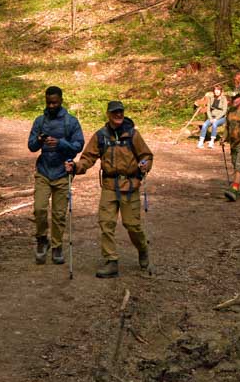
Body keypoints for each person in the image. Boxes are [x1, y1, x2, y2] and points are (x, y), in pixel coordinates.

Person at [66, 101, 153, 279]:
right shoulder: (101, 136)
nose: (118, 115)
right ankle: (111, 260)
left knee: (132, 225)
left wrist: (145, 164)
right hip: (109, 186)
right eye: (114, 112)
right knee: (106, 224)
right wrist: (76, 167)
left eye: (120, 112)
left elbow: (146, 155)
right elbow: (88, 158)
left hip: (130, 185)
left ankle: (143, 248)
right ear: (108, 114)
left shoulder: (133, 134)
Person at [26, 86, 84, 265]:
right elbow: (31, 146)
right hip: (43, 171)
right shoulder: (40, 121)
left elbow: (78, 146)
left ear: (61, 101)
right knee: (39, 209)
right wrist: (39, 140)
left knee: (59, 214)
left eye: (54, 103)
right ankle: (42, 239)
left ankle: (57, 246)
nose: (51, 106)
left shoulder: (71, 122)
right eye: (48, 102)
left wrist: (60, 143)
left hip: (62, 173)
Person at [196, 84, 229, 148]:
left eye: (218, 90)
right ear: (213, 91)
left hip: (221, 118)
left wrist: (216, 119)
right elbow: (208, 110)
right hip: (212, 117)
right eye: (215, 90)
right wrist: (210, 118)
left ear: (221, 91)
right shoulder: (211, 98)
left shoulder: (223, 98)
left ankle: (212, 142)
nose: (217, 91)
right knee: (205, 124)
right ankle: (201, 142)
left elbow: (224, 111)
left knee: (214, 124)